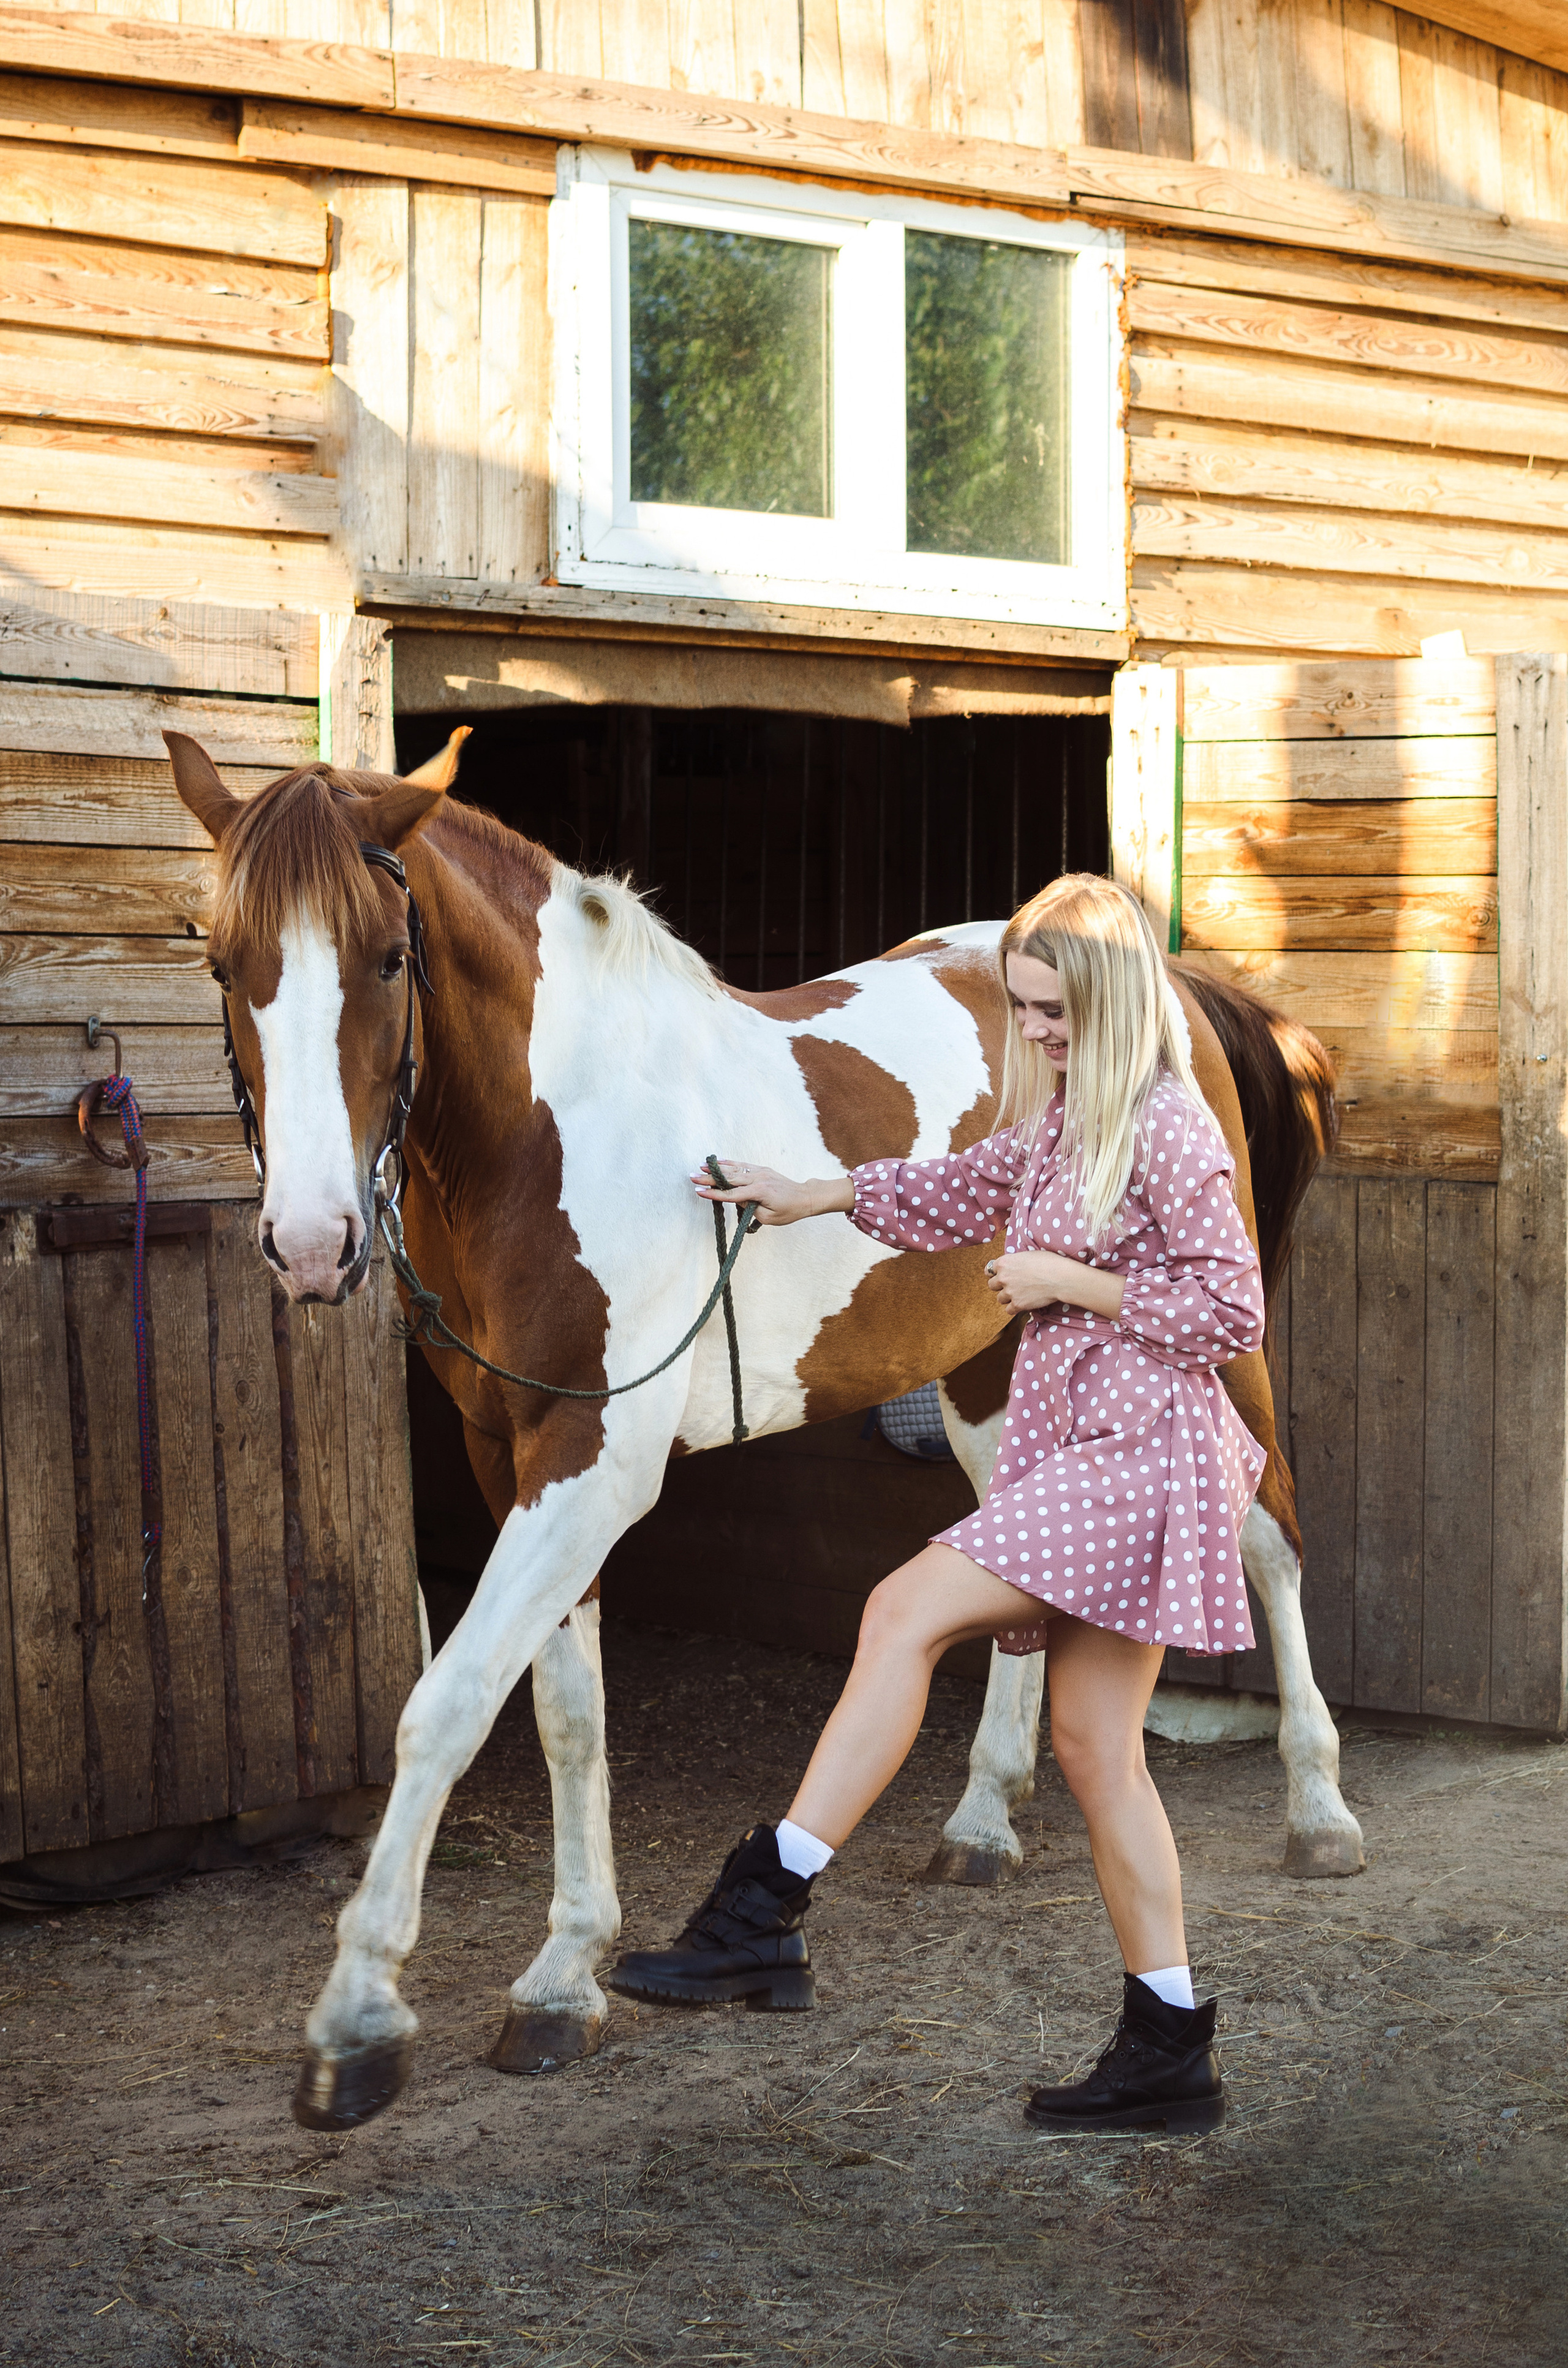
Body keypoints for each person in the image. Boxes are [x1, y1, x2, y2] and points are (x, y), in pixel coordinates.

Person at [608, 874, 1267, 2134]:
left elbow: (1233, 1312)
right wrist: (806, 1193)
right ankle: (1170, 2043)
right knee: (1096, 1750)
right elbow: (956, 1186)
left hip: (1138, 1452)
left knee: (902, 1610)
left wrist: (1072, 1281)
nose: (1036, 1031)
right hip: (1094, 1448)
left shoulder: (1168, 1126)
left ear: (1117, 999)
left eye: (1057, 1010)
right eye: (1022, 1007)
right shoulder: (1071, 1117)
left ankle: (763, 1906)